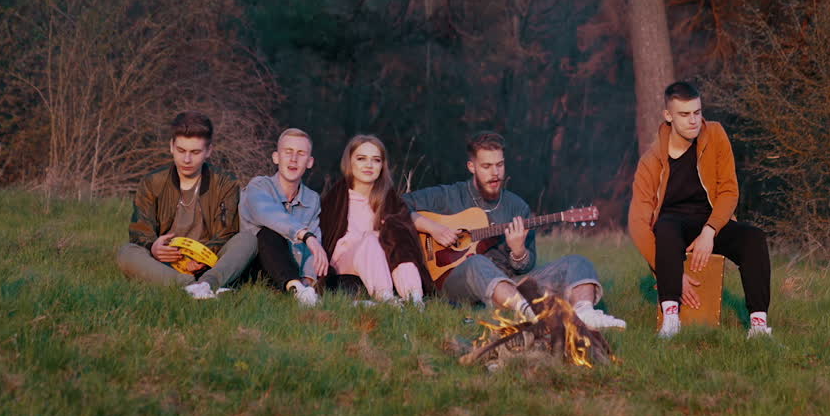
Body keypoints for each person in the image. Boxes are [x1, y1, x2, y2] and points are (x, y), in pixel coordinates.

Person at [406, 131, 626, 330]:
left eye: (500, 165)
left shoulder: (517, 207)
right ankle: (532, 317)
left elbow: (526, 267)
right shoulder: (448, 196)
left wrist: (518, 252)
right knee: (476, 263)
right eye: (486, 166)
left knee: (579, 263)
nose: (495, 173)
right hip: (456, 281)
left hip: (510, 283)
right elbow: (396, 206)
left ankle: (585, 313)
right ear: (471, 167)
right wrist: (432, 228)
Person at [629, 81, 772, 338]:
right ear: (668, 116)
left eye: (697, 112)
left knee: (754, 238)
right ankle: (671, 320)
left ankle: (759, 327)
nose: (693, 120)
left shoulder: (715, 135)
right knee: (665, 227)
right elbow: (638, 225)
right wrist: (671, 275)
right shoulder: (650, 162)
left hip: (711, 222)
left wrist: (710, 230)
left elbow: (729, 190)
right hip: (673, 228)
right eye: (684, 114)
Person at [116, 111, 256, 299]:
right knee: (127, 252)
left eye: (195, 152)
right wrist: (153, 247)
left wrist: (197, 259)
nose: (187, 160)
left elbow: (226, 233)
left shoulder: (225, 183)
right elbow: (140, 229)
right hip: (165, 263)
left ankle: (208, 283)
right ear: (171, 147)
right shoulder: (152, 182)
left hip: (209, 261)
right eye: (181, 151)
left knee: (248, 240)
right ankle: (191, 287)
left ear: (208, 151)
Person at [318, 135, 431, 304]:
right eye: (361, 158)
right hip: (345, 265)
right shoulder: (336, 198)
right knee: (371, 240)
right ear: (350, 162)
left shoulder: (389, 200)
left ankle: (414, 298)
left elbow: (404, 241)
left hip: (382, 264)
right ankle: (385, 298)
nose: (369, 165)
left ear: (382, 166)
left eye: (376, 160)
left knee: (398, 235)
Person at [239, 128, 329, 307]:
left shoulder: (311, 199)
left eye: (300, 154)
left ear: (310, 162)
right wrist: (306, 236)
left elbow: (314, 245)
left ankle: (301, 291)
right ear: (275, 157)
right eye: (288, 152)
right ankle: (295, 288)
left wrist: (308, 279)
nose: (293, 159)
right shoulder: (258, 186)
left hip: (291, 271)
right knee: (268, 233)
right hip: (255, 268)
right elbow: (269, 214)